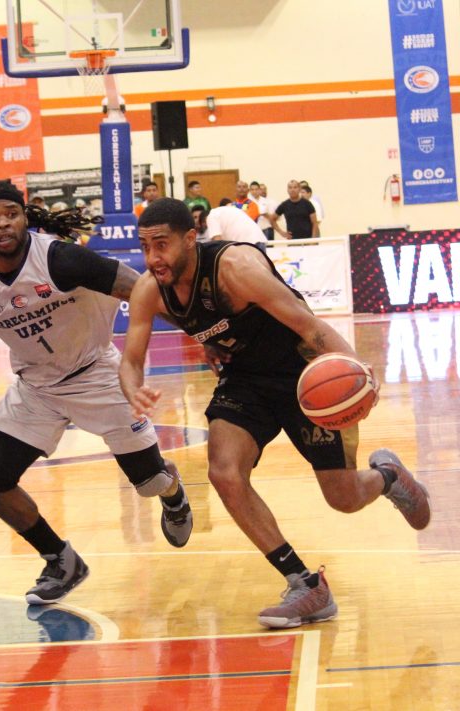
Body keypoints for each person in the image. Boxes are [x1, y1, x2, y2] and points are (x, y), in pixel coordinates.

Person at [0, 180, 193, 606]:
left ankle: (173, 494)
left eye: (11, 213)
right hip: (36, 387)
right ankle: (60, 559)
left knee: (150, 483)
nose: (3, 222)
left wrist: (204, 328)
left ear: (24, 217)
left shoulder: (61, 259)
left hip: (96, 375)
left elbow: (141, 289)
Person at [119, 197, 430, 629]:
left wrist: (360, 372)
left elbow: (310, 327)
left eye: (162, 245)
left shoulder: (236, 268)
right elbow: (131, 358)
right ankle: (305, 584)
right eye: (145, 246)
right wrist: (133, 389)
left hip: (304, 375)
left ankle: (388, 478)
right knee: (224, 472)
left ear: (191, 239)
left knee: (343, 498)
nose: (153, 257)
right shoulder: (151, 289)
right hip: (246, 380)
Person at [201, 204, 268, 253]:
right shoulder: (226, 209)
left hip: (246, 245)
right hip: (259, 239)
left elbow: (218, 243)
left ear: (204, 222)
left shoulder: (210, 217)